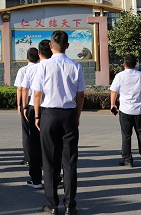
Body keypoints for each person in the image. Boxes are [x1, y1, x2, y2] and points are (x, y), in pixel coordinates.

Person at [33, 31, 85, 215]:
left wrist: (37, 116)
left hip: (49, 114)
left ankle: (52, 204)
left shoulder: (43, 66)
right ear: (67, 46)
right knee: (69, 162)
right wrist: (76, 116)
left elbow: (37, 94)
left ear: (50, 45)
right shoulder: (76, 66)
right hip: (69, 114)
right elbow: (80, 95)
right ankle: (70, 205)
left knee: (49, 161)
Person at [110, 54, 141, 167]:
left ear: (124, 64)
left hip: (125, 109)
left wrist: (113, 104)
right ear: (135, 64)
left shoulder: (120, 76)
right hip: (140, 110)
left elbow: (114, 91)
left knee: (126, 135)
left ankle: (128, 159)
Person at [22, 41, 51, 190]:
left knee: (35, 144)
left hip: (36, 107)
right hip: (53, 108)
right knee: (53, 145)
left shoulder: (33, 69)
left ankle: (36, 179)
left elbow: (27, 90)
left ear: (39, 53)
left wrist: (25, 107)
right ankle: (55, 178)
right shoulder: (61, 66)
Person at [14, 47, 39, 166]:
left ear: (27, 58)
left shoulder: (23, 70)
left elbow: (20, 89)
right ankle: (40, 157)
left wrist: (19, 105)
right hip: (39, 100)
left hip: (27, 101)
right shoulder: (41, 67)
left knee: (26, 131)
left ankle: (28, 158)